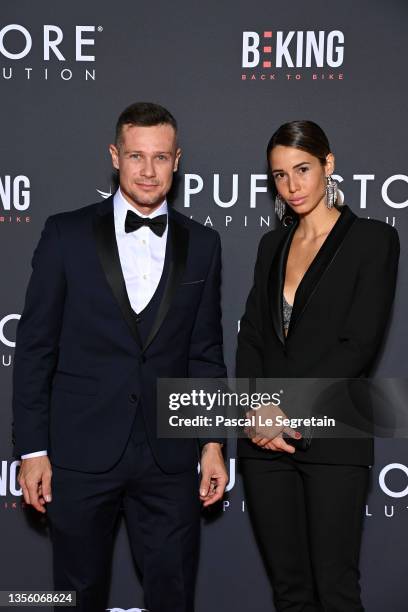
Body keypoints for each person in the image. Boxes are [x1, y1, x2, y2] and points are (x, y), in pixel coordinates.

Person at [12, 102, 228, 612]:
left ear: (177, 161)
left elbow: (205, 352)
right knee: (76, 593)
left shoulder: (204, 244)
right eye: (136, 156)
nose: (148, 170)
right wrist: (33, 450)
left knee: (172, 594)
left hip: (170, 457)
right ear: (115, 156)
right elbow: (36, 349)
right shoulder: (65, 234)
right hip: (81, 451)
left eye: (159, 157)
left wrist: (213, 442)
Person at [236, 120, 400, 611]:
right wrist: (258, 408)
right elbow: (252, 338)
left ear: (328, 165)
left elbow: (359, 345)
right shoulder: (271, 247)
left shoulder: (374, 240)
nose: (292, 186)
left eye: (303, 169)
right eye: (280, 176)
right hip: (266, 443)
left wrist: (288, 410)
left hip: (333, 435)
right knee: (290, 593)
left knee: (336, 591)